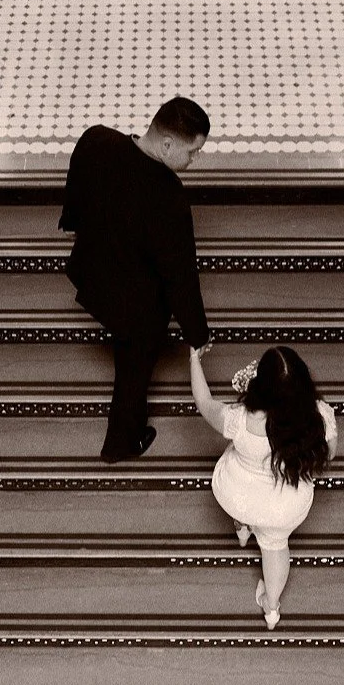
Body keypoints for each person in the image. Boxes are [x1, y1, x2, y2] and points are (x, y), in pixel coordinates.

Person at [60, 97, 211, 463]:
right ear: (168, 144)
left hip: (93, 276)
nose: (195, 161)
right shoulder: (171, 200)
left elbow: (76, 191)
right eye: (193, 152)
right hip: (135, 307)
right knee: (133, 371)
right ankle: (121, 444)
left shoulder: (96, 140)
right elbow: (181, 278)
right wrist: (198, 334)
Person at [189, 345, 337, 629]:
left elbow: (203, 401)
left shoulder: (238, 418)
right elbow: (328, 454)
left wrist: (194, 358)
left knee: (241, 494)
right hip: (282, 506)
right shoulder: (317, 418)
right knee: (275, 548)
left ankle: (243, 529)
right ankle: (271, 608)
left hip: (238, 492)